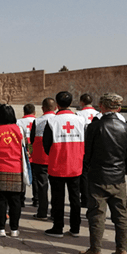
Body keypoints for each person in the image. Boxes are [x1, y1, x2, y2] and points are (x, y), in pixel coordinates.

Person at [79, 93, 127, 254]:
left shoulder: (95, 127)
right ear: (118, 108)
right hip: (118, 177)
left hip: (98, 176)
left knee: (96, 214)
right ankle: (122, 251)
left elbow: (88, 153)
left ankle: (95, 252)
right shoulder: (126, 127)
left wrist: (88, 168)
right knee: (121, 215)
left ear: (101, 106)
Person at [42, 91, 86, 238]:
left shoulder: (52, 121)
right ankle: (75, 228)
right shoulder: (81, 120)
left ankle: (58, 227)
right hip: (76, 165)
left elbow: (46, 145)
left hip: (57, 165)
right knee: (75, 198)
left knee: (58, 198)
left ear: (57, 104)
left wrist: (55, 154)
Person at [0, 105, 25, 237]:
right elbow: (27, 148)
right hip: (16, 168)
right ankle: (14, 229)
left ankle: (0, 228)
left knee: (0, 200)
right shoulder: (19, 129)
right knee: (15, 201)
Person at [29, 98, 57, 219]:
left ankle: (42, 212)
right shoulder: (58, 120)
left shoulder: (37, 121)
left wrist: (30, 153)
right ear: (55, 108)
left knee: (42, 187)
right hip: (55, 158)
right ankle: (55, 213)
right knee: (57, 188)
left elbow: (32, 139)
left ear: (42, 108)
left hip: (40, 158)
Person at [76, 94, 99, 208]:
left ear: (81, 102)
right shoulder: (99, 114)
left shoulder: (79, 115)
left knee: (84, 175)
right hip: (97, 148)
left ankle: (85, 199)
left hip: (84, 148)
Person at [16, 103, 36, 207]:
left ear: (24, 112)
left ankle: (21, 199)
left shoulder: (19, 122)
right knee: (36, 177)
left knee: (22, 176)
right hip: (33, 149)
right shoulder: (37, 121)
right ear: (34, 112)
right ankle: (36, 199)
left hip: (24, 150)